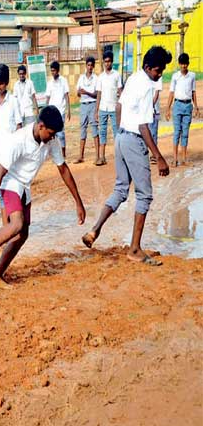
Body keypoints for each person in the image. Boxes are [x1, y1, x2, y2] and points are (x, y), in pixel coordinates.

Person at [0, 106, 85, 290]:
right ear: (40, 126)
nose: (53, 137)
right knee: (17, 224)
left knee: (23, 234)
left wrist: (78, 202)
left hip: (25, 186)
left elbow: (64, 170)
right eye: (51, 133)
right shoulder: (19, 140)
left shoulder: (51, 142)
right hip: (10, 182)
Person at [82, 46, 173, 265]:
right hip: (133, 139)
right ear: (148, 67)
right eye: (158, 71)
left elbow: (119, 106)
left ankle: (94, 231)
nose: (159, 75)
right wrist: (158, 156)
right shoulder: (144, 87)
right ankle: (134, 249)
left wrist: (121, 132)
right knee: (145, 195)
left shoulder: (133, 79)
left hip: (122, 138)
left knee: (121, 189)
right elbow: (143, 126)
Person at [0, 64, 23, 173]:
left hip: (11, 155)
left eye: (2, 83)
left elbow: (19, 127)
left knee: (13, 186)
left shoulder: (13, 101)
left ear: (7, 82)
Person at [167, 52, 198, 167]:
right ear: (179, 64)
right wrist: (168, 108)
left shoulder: (192, 76)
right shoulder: (175, 76)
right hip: (177, 105)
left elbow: (194, 92)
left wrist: (196, 107)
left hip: (188, 106)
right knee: (177, 132)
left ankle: (184, 159)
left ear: (188, 64)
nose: (183, 66)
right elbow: (171, 92)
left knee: (185, 133)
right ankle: (175, 159)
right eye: (181, 64)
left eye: (185, 64)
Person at [95, 51, 123, 166]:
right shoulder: (100, 77)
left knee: (117, 132)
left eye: (109, 61)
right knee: (102, 132)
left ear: (112, 62)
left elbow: (120, 91)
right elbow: (99, 94)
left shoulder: (116, 75)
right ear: (103, 62)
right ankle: (102, 157)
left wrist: (121, 106)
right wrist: (96, 111)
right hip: (103, 108)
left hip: (113, 108)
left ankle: (119, 156)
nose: (107, 64)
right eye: (105, 61)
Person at [74, 56, 99, 164]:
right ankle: (81, 156)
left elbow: (96, 95)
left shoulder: (96, 78)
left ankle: (98, 156)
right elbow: (78, 93)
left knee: (94, 129)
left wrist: (86, 92)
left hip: (92, 104)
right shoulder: (81, 78)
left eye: (91, 65)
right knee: (83, 128)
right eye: (88, 65)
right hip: (83, 105)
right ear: (86, 66)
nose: (89, 67)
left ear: (93, 66)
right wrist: (81, 92)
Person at [46, 61, 70, 157]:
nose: (53, 73)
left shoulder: (63, 81)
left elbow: (66, 95)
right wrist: (46, 111)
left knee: (61, 134)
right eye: (51, 71)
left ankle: (63, 154)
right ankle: (54, 154)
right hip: (52, 112)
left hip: (61, 111)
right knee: (51, 134)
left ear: (58, 70)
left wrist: (69, 110)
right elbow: (47, 98)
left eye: (54, 71)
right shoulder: (49, 83)